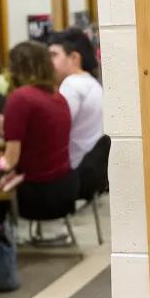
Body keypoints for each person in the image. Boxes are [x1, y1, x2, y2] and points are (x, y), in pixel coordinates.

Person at [0, 41, 78, 222]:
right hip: (64, 188)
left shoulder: (20, 97)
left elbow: (9, 161)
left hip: (38, 196)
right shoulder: (58, 96)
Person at [48, 28, 105, 195]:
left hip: (73, 173)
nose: (48, 62)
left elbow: (55, 128)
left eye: (53, 55)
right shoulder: (91, 83)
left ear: (74, 57)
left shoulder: (72, 85)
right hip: (90, 170)